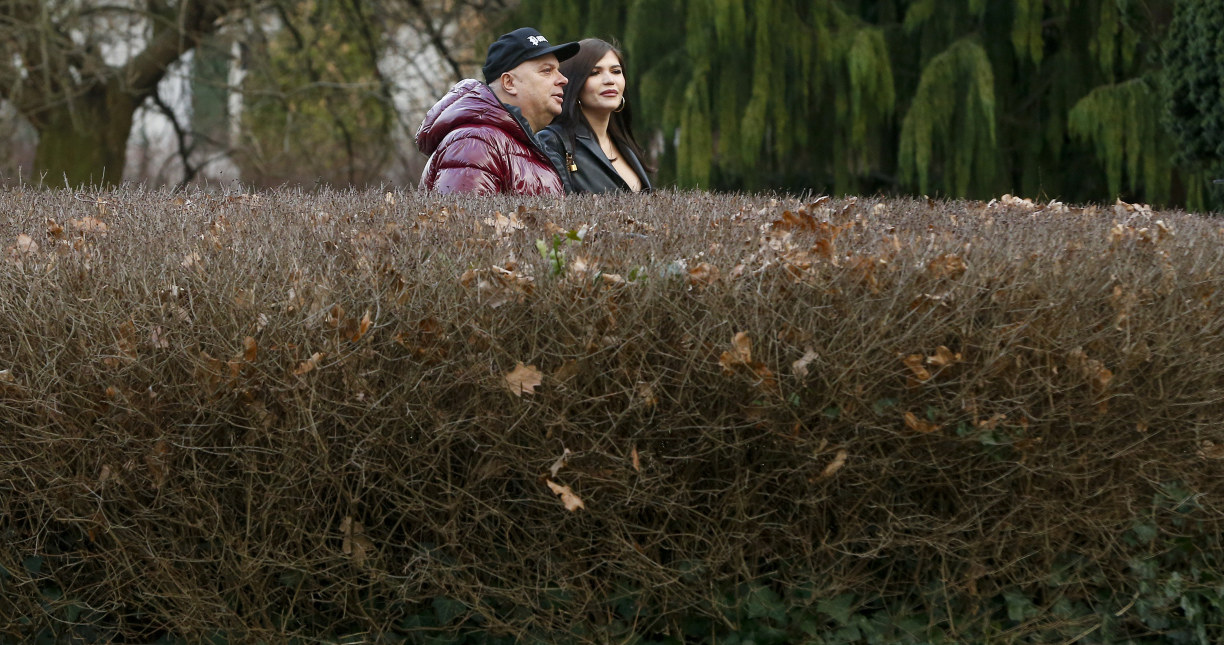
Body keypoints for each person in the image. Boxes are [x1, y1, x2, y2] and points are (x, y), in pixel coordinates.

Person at [415, 27, 579, 194]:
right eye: (547, 70)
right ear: (509, 82)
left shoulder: (518, 145)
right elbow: (463, 219)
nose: (563, 79)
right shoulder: (475, 144)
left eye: (558, 70)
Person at [537, 39, 654, 194]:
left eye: (616, 71)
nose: (609, 80)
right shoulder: (553, 142)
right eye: (595, 73)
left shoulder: (623, 144)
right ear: (575, 84)